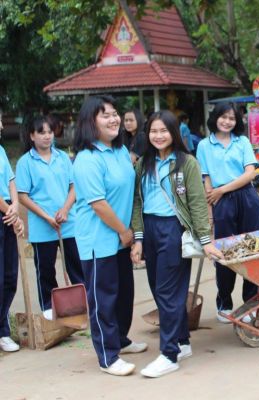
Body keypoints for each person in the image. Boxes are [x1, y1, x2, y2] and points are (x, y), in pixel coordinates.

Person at [131, 110, 222, 378]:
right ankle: (182, 341)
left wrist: (205, 240)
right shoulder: (143, 163)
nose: (158, 136)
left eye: (164, 131)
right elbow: (137, 201)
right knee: (159, 290)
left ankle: (169, 355)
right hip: (149, 229)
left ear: (174, 133)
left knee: (168, 292)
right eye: (153, 131)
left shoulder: (187, 163)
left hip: (173, 229)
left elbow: (197, 202)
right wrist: (138, 237)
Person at [72, 95, 147, 376]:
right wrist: (124, 231)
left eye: (115, 113)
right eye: (105, 115)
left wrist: (130, 234)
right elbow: (98, 204)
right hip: (99, 240)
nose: (114, 119)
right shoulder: (87, 159)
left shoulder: (120, 150)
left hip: (121, 239)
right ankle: (107, 356)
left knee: (124, 295)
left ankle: (121, 340)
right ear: (90, 122)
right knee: (103, 298)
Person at [196, 102, 259, 323]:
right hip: (220, 202)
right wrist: (210, 215)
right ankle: (224, 303)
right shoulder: (204, 145)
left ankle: (251, 303)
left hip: (246, 198)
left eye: (232, 118)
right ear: (215, 118)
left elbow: (250, 173)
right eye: (223, 117)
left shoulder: (242, 141)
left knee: (252, 250)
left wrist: (222, 190)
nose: (227, 121)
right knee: (224, 253)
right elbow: (206, 180)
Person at [16, 116, 84, 320]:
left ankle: (85, 303)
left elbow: (74, 186)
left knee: (77, 266)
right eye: (41, 132)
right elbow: (23, 196)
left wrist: (65, 209)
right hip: (42, 226)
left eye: (50, 132)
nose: (47, 136)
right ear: (32, 136)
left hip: (68, 223)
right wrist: (46, 217)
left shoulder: (63, 157)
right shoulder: (25, 162)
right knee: (45, 270)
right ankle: (48, 307)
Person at [0, 113, 25, 353]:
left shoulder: (1, 150)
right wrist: (10, 211)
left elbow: (11, 181)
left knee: (10, 275)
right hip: (4, 210)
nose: (0, 125)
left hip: (8, 211)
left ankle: (3, 330)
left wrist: (15, 207)